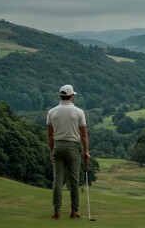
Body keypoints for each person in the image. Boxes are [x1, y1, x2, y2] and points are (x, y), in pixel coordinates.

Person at [47, 84, 90, 219]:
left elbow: (50, 135)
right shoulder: (79, 112)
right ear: (71, 96)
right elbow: (84, 135)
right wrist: (86, 151)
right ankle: (74, 211)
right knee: (74, 180)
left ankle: (56, 210)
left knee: (57, 179)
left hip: (58, 146)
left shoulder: (52, 112)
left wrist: (51, 150)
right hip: (73, 147)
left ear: (61, 96)